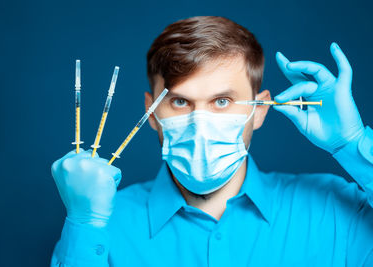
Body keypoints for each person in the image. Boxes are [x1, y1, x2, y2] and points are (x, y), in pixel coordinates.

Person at [50, 16, 373, 266]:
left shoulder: (334, 209)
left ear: (259, 110)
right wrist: (85, 223)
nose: (200, 123)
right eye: (179, 102)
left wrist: (353, 146)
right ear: (151, 112)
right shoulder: (104, 221)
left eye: (221, 101)